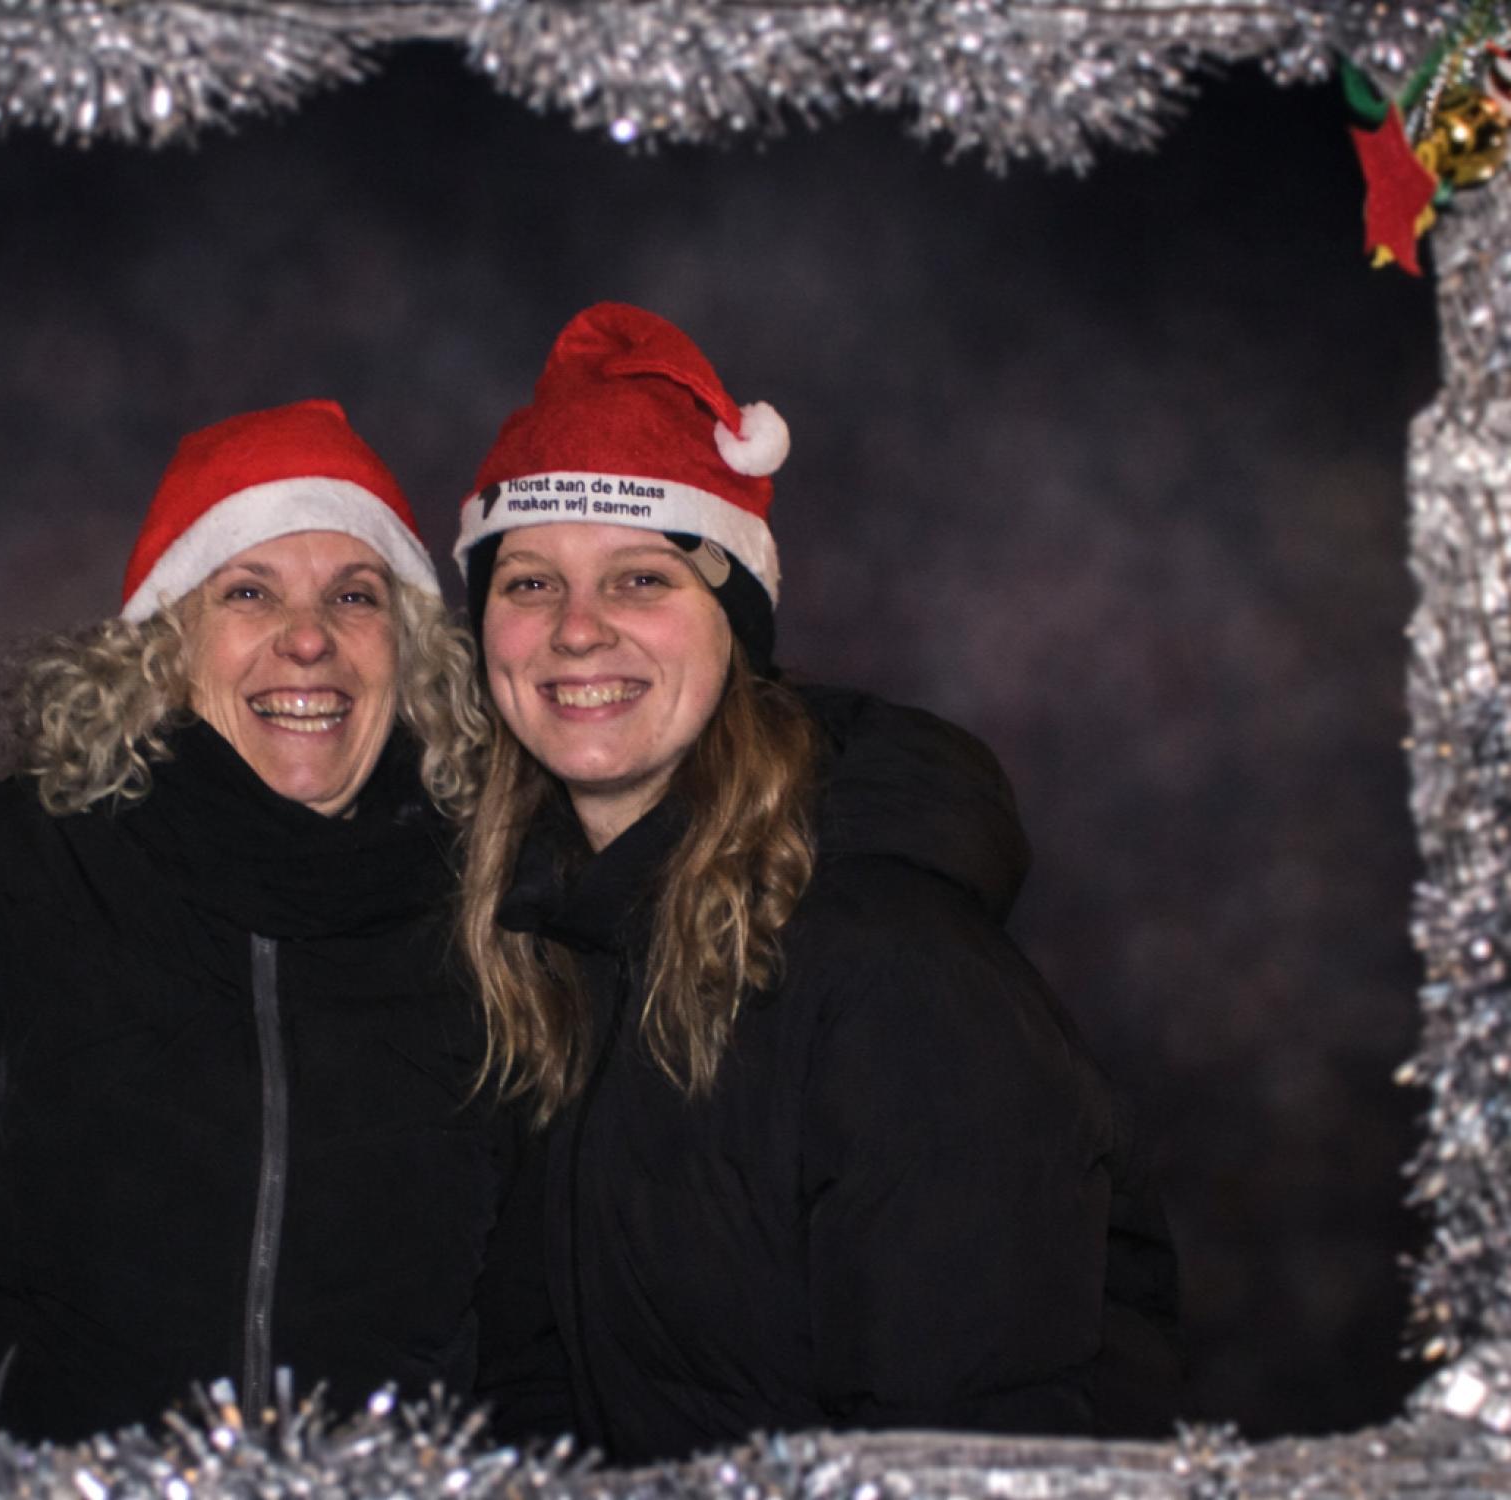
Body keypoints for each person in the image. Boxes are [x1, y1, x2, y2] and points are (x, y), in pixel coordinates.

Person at [457, 304, 1180, 1464]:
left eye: (640, 579)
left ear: (733, 630)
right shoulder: (551, 946)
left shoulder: (889, 971)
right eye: (529, 583)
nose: (576, 631)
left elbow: (969, 1460)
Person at [0, 399, 506, 1442]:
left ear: (407, 650)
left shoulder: (491, 911)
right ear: (164, 646)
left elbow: (543, 1313)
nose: (308, 638)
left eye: (353, 596)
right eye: (248, 592)